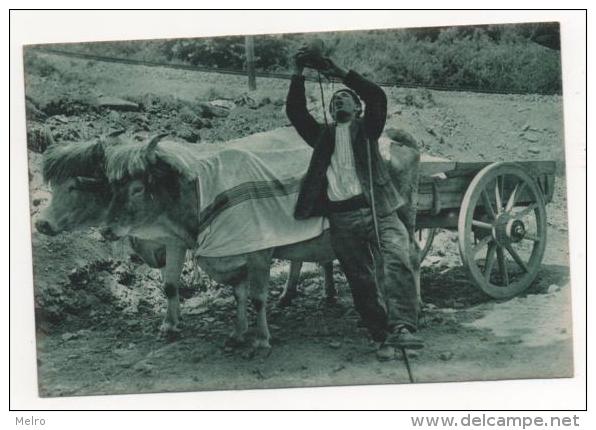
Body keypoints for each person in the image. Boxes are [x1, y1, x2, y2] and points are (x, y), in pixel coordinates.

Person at [286, 46, 423, 358]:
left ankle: (403, 326)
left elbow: (378, 98)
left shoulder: (368, 130)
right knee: (360, 280)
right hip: (343, 218)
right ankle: (381, 334)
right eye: (335, 100)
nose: (338, 100)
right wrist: (297, 74)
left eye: (345, 97)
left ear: (358, 107)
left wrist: (341, 74)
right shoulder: (322, 135)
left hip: (379, 210)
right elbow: (296, 113)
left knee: (397, 258)